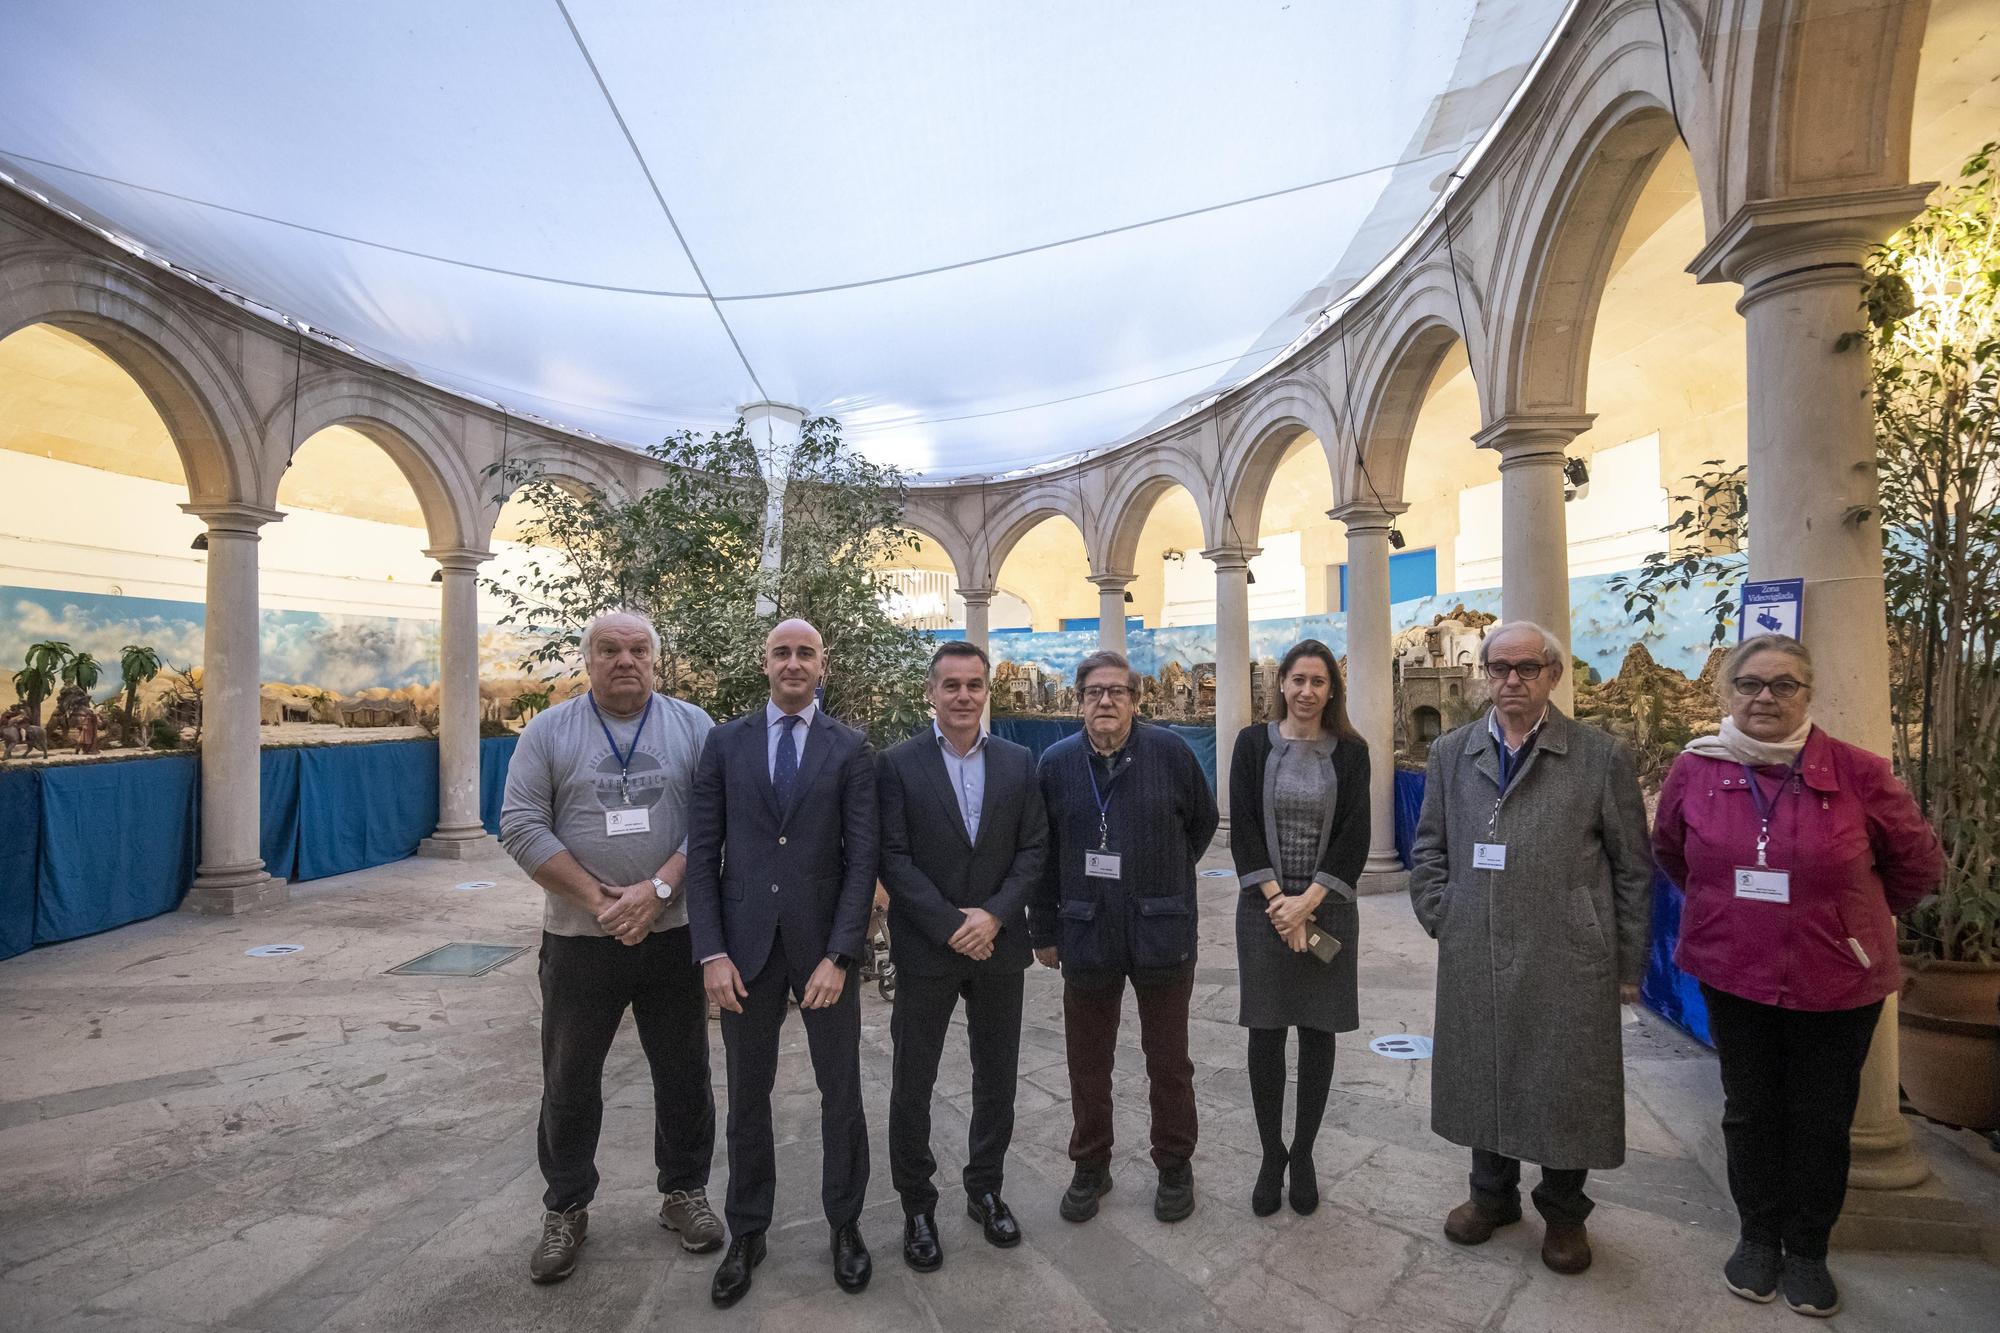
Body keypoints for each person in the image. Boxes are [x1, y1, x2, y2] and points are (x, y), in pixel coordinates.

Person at [1653, 633, 1941, 1317]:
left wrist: (1848, 917)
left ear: (1809, 694)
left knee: (1821, 1117)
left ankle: (1808, 1248)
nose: (1765, 697)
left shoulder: (1858, 771)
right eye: (1751, 683)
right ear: (1728, 692)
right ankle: (1757, 1237)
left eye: (1784, 684)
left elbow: (1918, 863)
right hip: (1733, 969)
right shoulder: (1697, 769)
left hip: (1837, 980)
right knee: (1749, 1109)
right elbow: (1671, 850)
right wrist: (1729, 912)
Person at [1409, 620, 1651, 1276]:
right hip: (1476, 946)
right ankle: (1491, 1196)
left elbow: (1632, 867)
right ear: (1485, 675)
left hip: (1567, 953)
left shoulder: (1598, 756)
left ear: (1553, 675)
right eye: (1499, 668)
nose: (1511, 680)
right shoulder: (1453, 753)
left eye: (1527, 668)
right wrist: (1444, 913)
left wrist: (1627, 961)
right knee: (1486, 1068)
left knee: (1563, 1080)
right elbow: (1428, 845)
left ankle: (1565, 1211)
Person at [498, 610, 722, 1285]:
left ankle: (684, 1191)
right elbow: (519, 822)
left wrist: (656, 891)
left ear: (656, 658)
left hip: (675, 931)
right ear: (587, 659)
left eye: (636, 649)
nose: (624, 659)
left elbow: (717, 820)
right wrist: (602, 902)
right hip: (579, 939)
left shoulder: (693, 725)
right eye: (608, 649)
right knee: (569, 1077)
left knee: (684, 1071)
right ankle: (567, 1205)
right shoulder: (549, 730)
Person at [684, 618, 878, 1307]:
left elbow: (862, 863)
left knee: (841, 1094)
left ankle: (845, 1224)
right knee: (746, 1096)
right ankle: (747, 1230)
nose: (793, 663)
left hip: (823, 951)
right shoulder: (724, 742)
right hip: (744, 951)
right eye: (781, 652)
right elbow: (702, 854)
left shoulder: (850, 747)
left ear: (823, 663)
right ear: (764, 663)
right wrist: (710, 950)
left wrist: (841, 953)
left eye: (805, 652)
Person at [1029, 650, 1219, 1225]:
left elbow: (1202, 824)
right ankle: (1091, 1165)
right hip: (1085, 931)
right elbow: (1041, 855)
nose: (1105, 701)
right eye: (1094, 692)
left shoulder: (1172, 753)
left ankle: (1174, 1165)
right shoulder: (1057, 764)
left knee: (1168, 1060)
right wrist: (1044, 929)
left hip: (1161, 930)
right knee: (1087, 1062)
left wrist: (1162, 874)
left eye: (1117, 691)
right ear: (1078, 701)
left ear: (1136, 700)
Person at [877, 640, 1048, 1271]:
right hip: (928, 948)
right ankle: (917, 1203)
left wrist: (995, 915)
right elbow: (891, 856)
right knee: (912, 1082)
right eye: (951, 685)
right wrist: (952, 924)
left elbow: (1034, 849)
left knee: (996, 1076)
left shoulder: (1017, 761)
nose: (963, 696)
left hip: (999, 947)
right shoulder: (896, 765)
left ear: (987, 692)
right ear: (931, 692)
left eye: (974, 685)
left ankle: (985, 1187)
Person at [1227, 639, 1371, 1217]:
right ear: (1280, 685)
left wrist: (1306, 903)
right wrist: (1279, 902)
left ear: (1331, 690)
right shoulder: (1250, 745)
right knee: (1265, 1034)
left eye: (1318, 681)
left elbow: (1355, 836)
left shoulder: (1351, 753)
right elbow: (1242, 828)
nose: (1306, 691)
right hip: (1263, 911)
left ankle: (1304, 1154)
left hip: (1326, 908)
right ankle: (1270, 1154)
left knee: (1318, 1032)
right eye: (1297, 680)